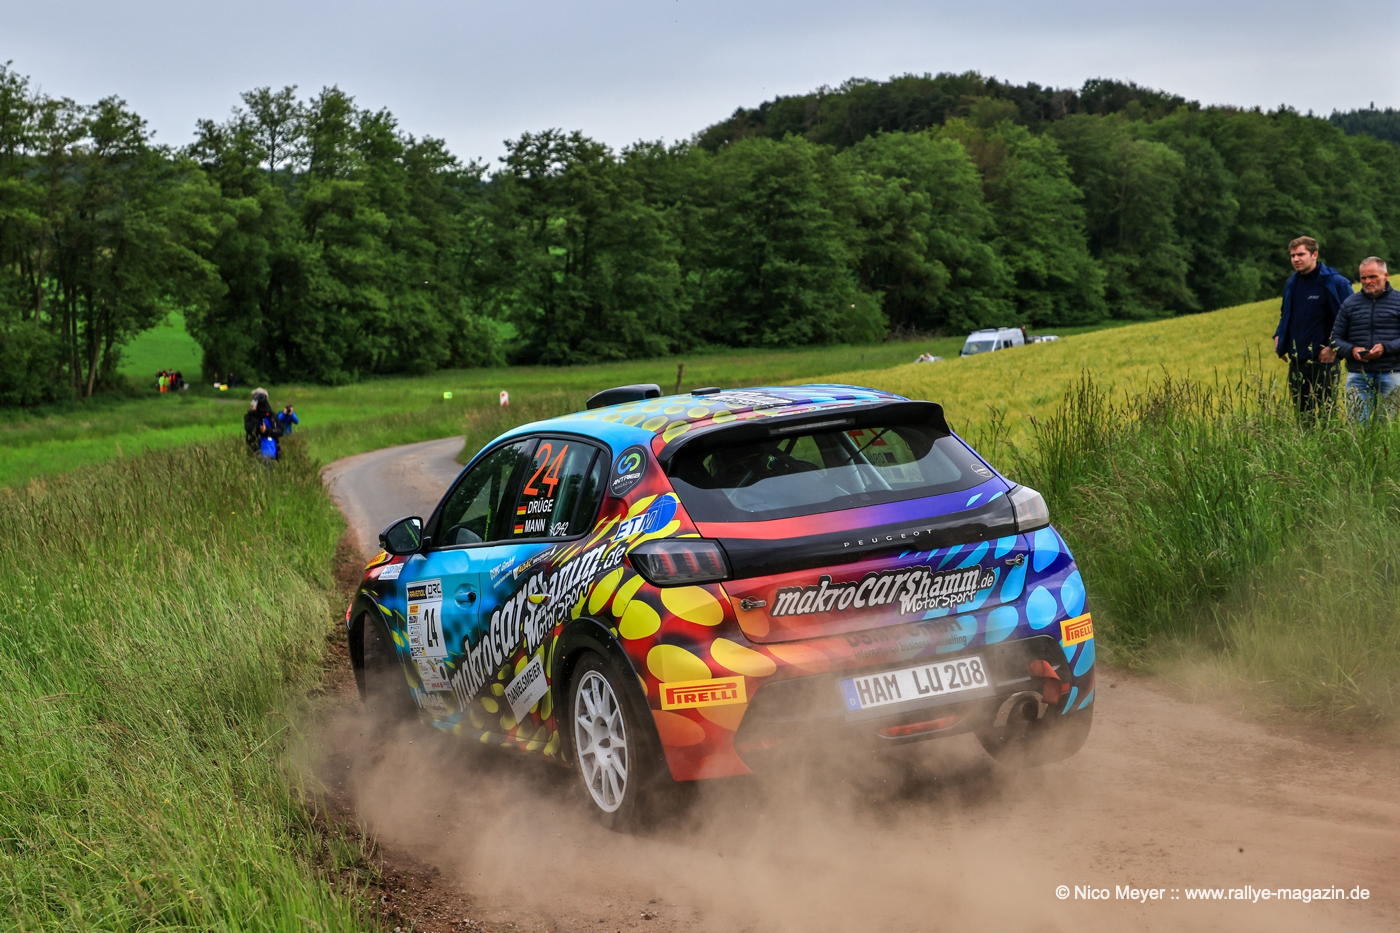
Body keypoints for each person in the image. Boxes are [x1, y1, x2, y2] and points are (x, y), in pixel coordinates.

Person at [1273, 236, 1352, 418]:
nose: (1296, 259)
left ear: (1314, 254)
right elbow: (1286, 314)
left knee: (1327, 414)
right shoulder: (1292, 283)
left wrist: (1334, 348)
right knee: (1302, 415)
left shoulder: (1336, 282)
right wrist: (1279, 337)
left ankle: (1330, 438)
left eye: (1300, 254)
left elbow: (1350, 318)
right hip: (1297, 360)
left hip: (1324, 360)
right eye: (1292, 256)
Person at [1331, 257, 1400, 423]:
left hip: (1391, 372)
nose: (1368, 281)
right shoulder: (1350, 303)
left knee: (1387, 426)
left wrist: (1385, 348)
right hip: (1358, 374)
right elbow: (1335, 339)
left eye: (1373, 276)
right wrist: (1352, 350)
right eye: (1363, 278)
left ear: (1385, 275)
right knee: (1357, 426)